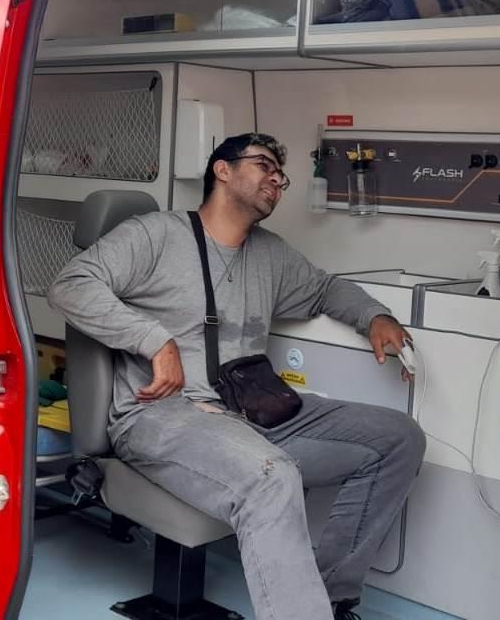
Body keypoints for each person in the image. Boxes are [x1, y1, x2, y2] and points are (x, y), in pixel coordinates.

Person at [48, 133, 426, 620]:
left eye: (281, 175)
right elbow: (71, 285)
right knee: (271, 477)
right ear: (222, 171)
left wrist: (373, 316)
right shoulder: (155, 235)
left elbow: (326, 289)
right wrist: (152, 340)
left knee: (398, 437)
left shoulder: (272, 254)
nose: (277, 180)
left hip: (250, 407)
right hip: (163, 414)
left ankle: (329, 597)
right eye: (265, 165)